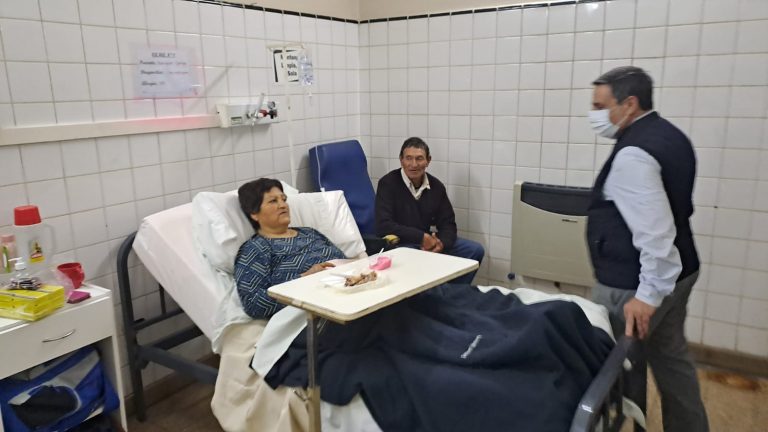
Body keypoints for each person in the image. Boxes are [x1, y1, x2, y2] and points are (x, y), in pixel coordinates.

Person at [586, 66, 708, 431]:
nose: (594, 115)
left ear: (629, 104)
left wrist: (647, 294)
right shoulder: (670, 135)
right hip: (681, 270)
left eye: (600, 106)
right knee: (672, 359)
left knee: (619, 367)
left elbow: (656, 232)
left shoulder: (633, 155)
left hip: (634, 284)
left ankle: (627, 424)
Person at [375, 137, 484, 284]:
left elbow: (448, 224)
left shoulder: (436, 186)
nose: (414, 164)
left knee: (475, 250)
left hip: (428, 244)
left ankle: (453, 292)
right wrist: (421, 237)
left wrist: (441, 244)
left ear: (428, 161)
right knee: (416, 258)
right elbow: (383, 225)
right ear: (401, 160)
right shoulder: (388, 183)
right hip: (402, 245)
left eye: (419, 158)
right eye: (409, 158)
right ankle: (434, 293)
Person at [234, 178, 346, 319]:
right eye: (273, 201)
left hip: (348, 297)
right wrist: (305, 279)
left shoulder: (310, 233)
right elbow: (253, 304)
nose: (283, 205)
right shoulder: (255, 249)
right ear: (254, 214)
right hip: (314, 317)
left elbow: (345, 263)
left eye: (284, 199)